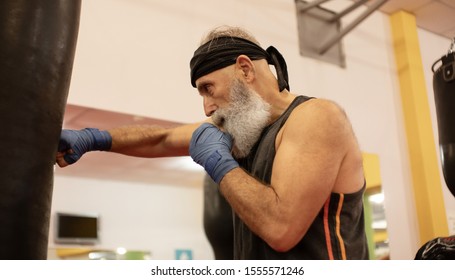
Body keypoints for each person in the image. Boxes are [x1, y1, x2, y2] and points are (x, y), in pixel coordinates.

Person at [56, 26, 369, 260]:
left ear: (245, 69)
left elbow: (281, 230)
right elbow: (164, 138)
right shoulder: (247, 127)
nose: (206, 108)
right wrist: (94, 138)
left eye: (208, 88)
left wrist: (220, 164)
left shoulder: (316, 118)